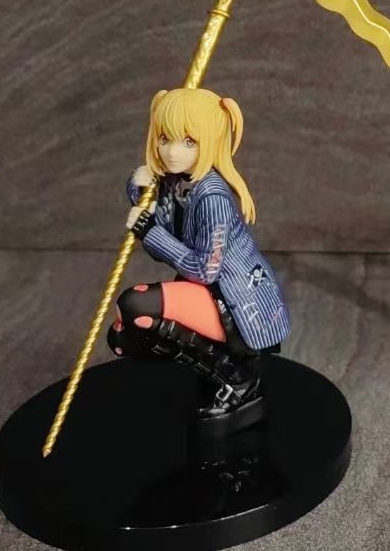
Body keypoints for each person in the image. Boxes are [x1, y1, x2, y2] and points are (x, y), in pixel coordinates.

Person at [107, 87, 289, 431]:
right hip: (208, 292)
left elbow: (204, 270)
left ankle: (238, 380)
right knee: (123, 335)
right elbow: (163, 241)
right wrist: (141, 192)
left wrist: (149, 231)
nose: (172, 151)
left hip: (233, 300)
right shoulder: (179, 184)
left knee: (136, 308)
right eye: (165, 138)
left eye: (189, 141)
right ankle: (214, 369)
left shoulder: (212, 198)